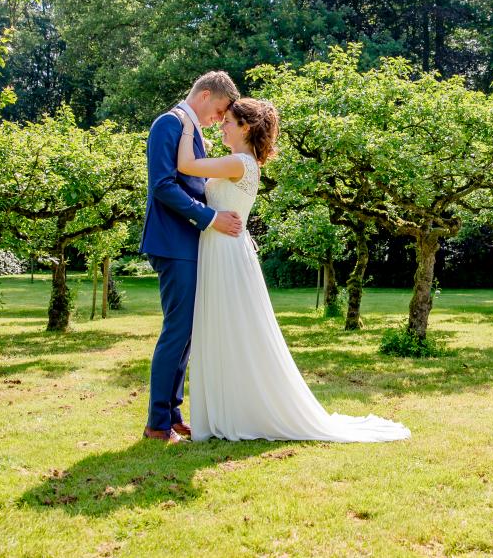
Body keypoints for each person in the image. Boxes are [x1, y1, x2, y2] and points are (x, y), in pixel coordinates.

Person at [171, 97, 409, 443]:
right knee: (229, 328)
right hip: (224, 246)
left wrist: (188, 122)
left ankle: (235, 411)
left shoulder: (239, 162)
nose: (221, 125)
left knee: (231, 327)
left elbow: (186, 164)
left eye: (228, 122)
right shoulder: (243, 162)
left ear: (245, 128)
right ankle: (230, 408)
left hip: (224, 249)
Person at [139, 71, 242, 444]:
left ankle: (173, 413)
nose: (218, 120)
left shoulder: (189, 128)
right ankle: (156, 424)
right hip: (172, 242)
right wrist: (211, 217)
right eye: (218, 110)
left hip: (187, 242)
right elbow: (163, 185)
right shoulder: (169, 123)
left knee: (186, 333)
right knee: (177, 331)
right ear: (205, 95)